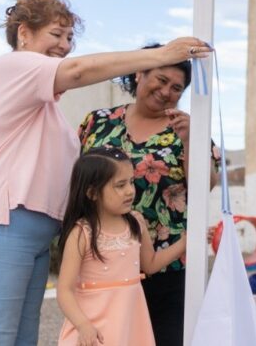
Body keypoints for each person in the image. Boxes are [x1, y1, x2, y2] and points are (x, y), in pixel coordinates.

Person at [0, 0, 210, 345]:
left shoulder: (45, 106)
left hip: (30, 233)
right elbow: (79, 71)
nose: (65, 46)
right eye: (56, 34)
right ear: (23, 33)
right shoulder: (11, 67)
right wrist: (162, 55)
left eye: (70, 38)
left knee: (22, 340)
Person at [77, 43, 219, 346]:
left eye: (177, 88)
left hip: (168, 261)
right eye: (162, 80)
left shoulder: (188, 129)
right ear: (140, 72)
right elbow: (78, 179)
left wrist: (191, 141)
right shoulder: (98, 122)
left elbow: (204, 185)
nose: (167, 91)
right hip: (105, 260)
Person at [56, 149, 188, 346]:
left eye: (131, 182)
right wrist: (83, 325)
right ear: (92, 192)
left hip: (130, 324)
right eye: (120, 185)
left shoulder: (136, 222)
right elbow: (64, 290)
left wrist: (186, 242)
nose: (130, 191)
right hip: (94, 328)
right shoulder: (82, 233)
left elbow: (150, 265)